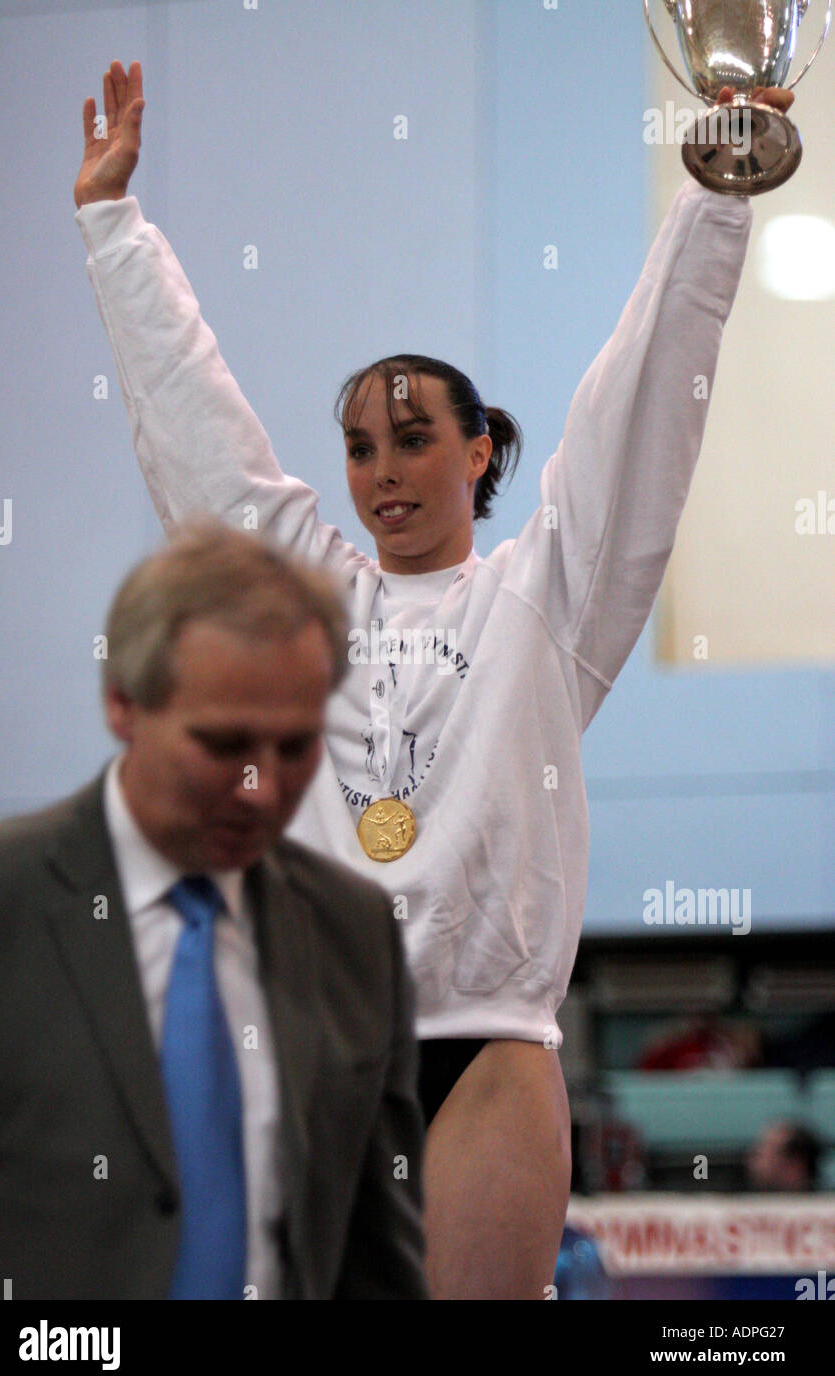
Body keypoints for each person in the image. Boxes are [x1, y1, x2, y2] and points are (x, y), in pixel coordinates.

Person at [72, 60, 794, 1299]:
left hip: (493, 1054)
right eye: (357, 447)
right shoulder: (302, 600)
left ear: (479, 452)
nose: (380, 471)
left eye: (411, 439)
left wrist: (717, 197)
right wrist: (111, 225)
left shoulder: (546, 596)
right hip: (320, 1041)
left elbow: (640, 400)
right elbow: (199, 428)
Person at [0, 521, 427, 1300]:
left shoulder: (353, 935)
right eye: (224, 746)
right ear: (122, 702)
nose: (263, 790)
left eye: (295, 747)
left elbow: (374, 1259)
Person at [746, 1121, 822, 1193]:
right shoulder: (747, 1201)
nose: (752, 1159)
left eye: (763, 1152)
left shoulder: (826, 1202)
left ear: (795, 1163)